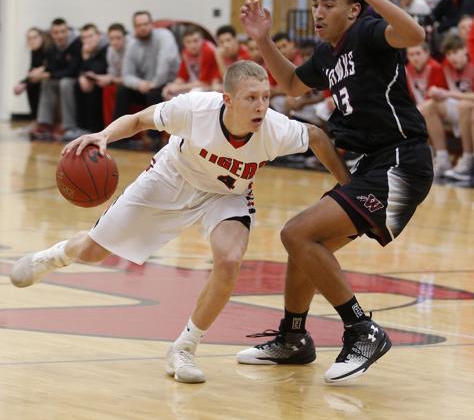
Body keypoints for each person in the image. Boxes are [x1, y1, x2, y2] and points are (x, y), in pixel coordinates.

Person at [9, 60, 351, 384]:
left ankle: (184, 348)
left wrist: (347, 187)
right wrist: (103, 136)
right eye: (251, 98)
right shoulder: (193, 109)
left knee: (229, 261)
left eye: (265, 97)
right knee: (93, 252)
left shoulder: (275, 128)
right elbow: (139, 120)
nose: (261, 106)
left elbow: (317, 138)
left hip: (226, 195)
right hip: (170, 178)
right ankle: (54, 256)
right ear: (228, 100)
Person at [237, 0, 433, 383]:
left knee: (297, 234)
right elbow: (289, 84)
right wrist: (264, 39)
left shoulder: (367, 34)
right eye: (314, 4)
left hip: (401, 162)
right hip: (372, 167)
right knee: (307, 246)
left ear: (354, 9)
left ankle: (362, 329)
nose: (319, 12)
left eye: (330, 3)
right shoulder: (328, 54)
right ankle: (292, 337)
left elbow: (415, 35)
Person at [422, 34, 474, 178]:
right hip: (459, 109)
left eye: (456, 52)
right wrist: (437, 93)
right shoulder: (446, 66)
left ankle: (468, 159)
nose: (452, 57)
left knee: (464, 105)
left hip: (468, 109)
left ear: (465, 50)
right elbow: (445, 93)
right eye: (449, 54)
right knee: (429, 106)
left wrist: (449, 94)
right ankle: (442, 158)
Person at [30, 18, 82, 140]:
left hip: (75, 78)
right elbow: (52, 68)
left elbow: (72, 71)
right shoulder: (51, 46)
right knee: (47, 82)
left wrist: (49, 74)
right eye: (56, 32)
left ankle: (68, 126)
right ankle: (45, 123)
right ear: (52, 33)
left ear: (68, 31)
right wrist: (45, 74)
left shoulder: (76, 43)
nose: (60, 35)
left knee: (64, 83)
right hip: (59, 77)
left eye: (63, 31)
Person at [162, 26, 220, 100]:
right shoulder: (186, 52)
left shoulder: (208, 51)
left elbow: (205, 82)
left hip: (213, 85)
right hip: (196, 84)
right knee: (167, 92)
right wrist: (172, 86)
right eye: (188, 42)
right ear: (183, 43)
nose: (192, 45)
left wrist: (178, 87)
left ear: (202, 40)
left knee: (193, 94)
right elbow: (182, 77)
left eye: (195, 41)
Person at [12, 27, 50, 119]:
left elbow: (51, 67)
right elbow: (32, 71)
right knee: (30, 84)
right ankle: (35, 119)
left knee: (38, 84)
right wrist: (22, 83)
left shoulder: (48, 49)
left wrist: (43, 69)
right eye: (29, 38)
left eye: (35, 37)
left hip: (51, 78)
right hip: (39, 78)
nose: (32, 41)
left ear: (41, 37)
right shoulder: (34, 52)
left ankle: (42, 121)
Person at [405, 42, 447, 108]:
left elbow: (438, 95)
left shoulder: (435, 67)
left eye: (418, 53)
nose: (415, 58)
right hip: (419, 106)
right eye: (411, 54)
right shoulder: (408, 69)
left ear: (427, 53)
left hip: (437, 105)